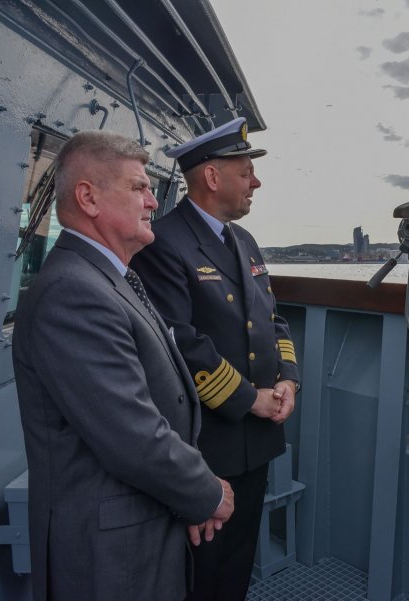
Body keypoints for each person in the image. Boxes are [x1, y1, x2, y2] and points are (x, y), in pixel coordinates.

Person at [12, 130, 234, 601]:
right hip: (109, 553)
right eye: (139, 187)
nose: (154, 202)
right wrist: (207, 494)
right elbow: (132, 436)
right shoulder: (73, 293)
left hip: (139, 524)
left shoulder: (108, 277)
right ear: (88, 197)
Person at [131, 117, 300, 601]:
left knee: (238, 557)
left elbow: (274, 319)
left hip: (258, 437)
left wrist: (288, 379)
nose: (256, 182)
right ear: (211, 176)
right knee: (201, 567)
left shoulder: (242, 242)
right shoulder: (164, 243)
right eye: (246, 171)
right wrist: (251, 399)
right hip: (208, 442)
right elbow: (178, 342)